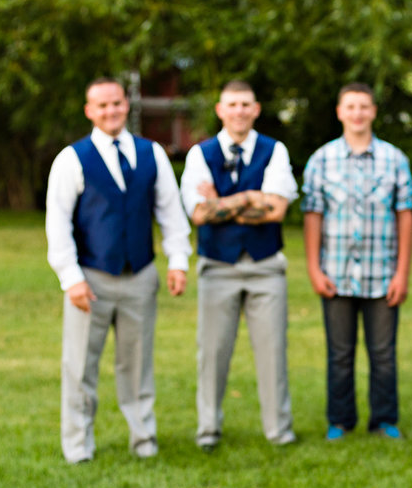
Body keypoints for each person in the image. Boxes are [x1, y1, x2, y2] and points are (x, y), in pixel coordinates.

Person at [45, 77, 191, 464]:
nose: (111, 111)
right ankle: (78, 446)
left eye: (117, 103)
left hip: (140, 276)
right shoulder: (72, 159)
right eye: (102, 105)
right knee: (79, 366)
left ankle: (144, 439)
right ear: (90, 111)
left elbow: (170, 212)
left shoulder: (151, 154)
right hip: (91, 278)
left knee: (137, 363)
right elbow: (57, 224)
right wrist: (71, 278)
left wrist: (178, 261)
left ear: (127, 105)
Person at [180, 80, 298, 451]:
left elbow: (277, 209)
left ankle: (278, 430)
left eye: (246, 104)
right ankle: (208, 429)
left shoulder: (273, 150)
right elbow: (199, 213)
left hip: (266, 266)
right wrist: (252, 198)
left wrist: (226, 203)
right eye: (232, 105)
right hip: (217, 265)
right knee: (212, 352)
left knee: (272, 351)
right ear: (220, 110)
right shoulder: (200, 154)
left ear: (256, 109)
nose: (239, 111)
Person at [302, 83, 412, 441]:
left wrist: (402, 273)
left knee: (383, 353)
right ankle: (340, 420)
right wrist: (313, 268)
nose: (357, 113)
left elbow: (405, 215)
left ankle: (384, 420)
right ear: (339, 112)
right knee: (339, 353)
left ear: (373, 112)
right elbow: (312, 214)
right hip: (335, 272)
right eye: (350, 107)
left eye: (363, 106)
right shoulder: (321, 159)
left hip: (382, 273)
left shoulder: (394, 159)